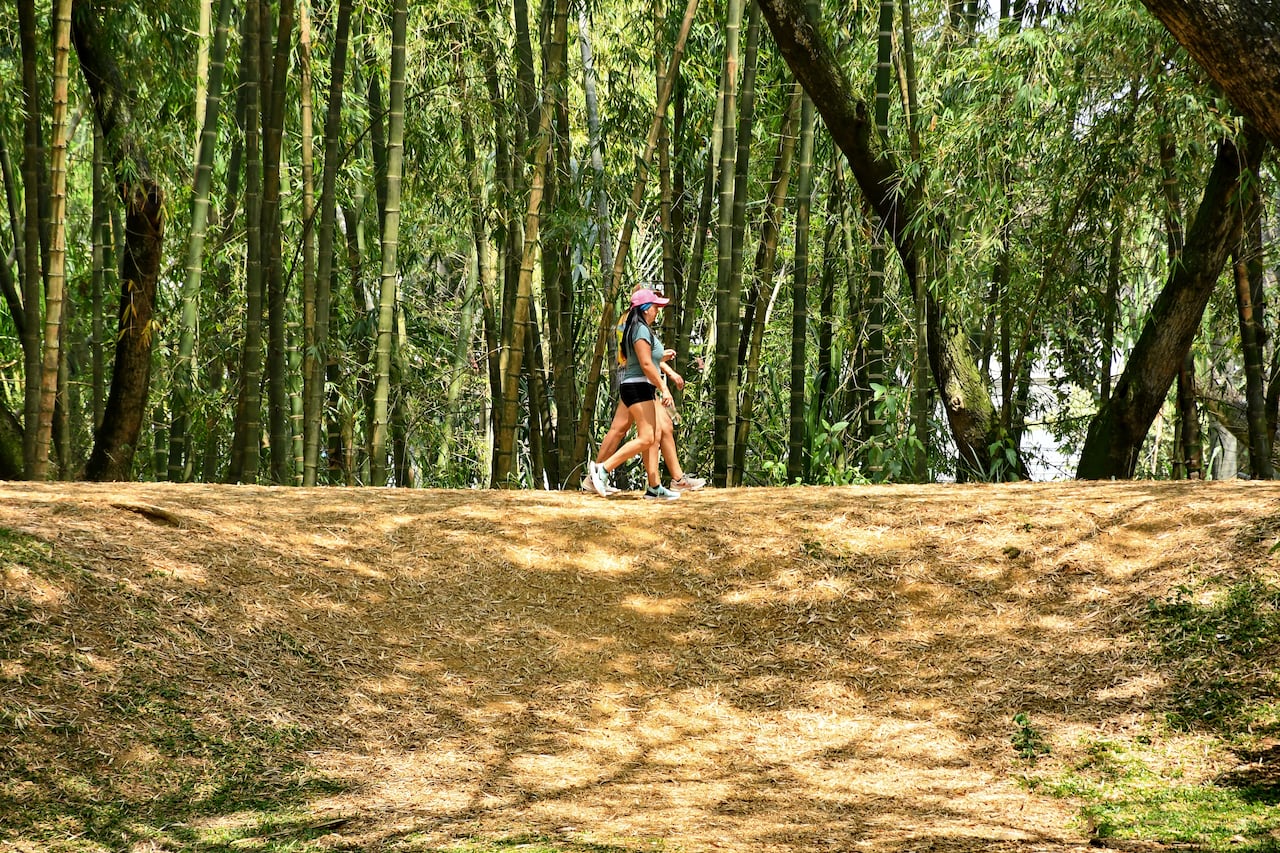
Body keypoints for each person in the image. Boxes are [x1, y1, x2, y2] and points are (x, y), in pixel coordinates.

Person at [587, 289, 682, 500]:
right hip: (638, 386)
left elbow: (649, 359)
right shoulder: (639, 330)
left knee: (651, 435)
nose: (658, 310)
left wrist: (664, 360)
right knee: (647, 437)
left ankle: (654, 486)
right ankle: (602, 470)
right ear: (646, 309)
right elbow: (646, 364)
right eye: (656, 306)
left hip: (640, 386)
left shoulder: (640, 328)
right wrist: (665, 388)